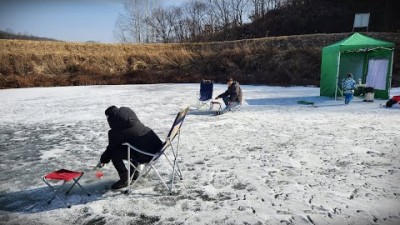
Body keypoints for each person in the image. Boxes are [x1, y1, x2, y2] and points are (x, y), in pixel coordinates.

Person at [97, 106, 163, 190]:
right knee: (133, 144)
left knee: (114, 153)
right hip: (158, 148)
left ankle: (125, 179)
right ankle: (134, 173)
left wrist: (103, 159)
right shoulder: (133, 120)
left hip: (147, 155)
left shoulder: (115, 131)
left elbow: (111, 148)